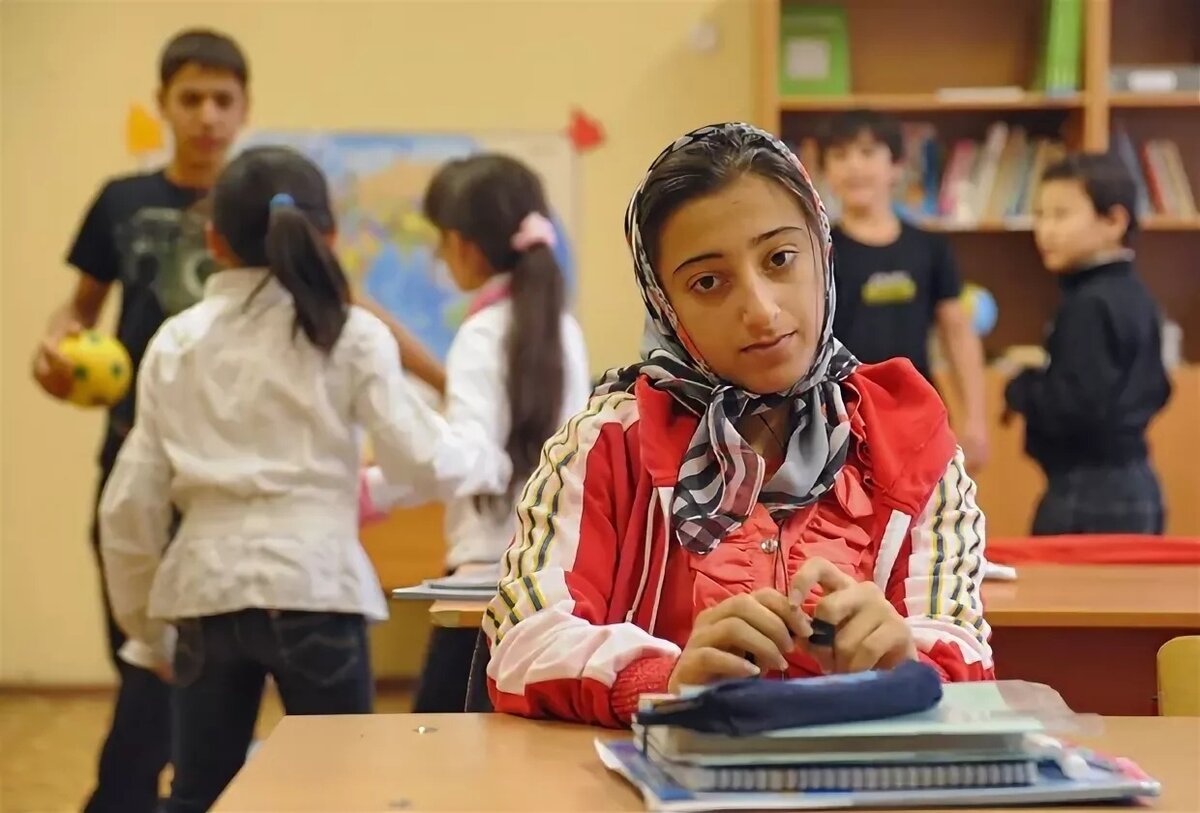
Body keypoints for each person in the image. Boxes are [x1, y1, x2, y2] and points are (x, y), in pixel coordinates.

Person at [481, 123, 993, 728]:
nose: (761, 310)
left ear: (823, 251)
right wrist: (666, 680)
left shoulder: (909, 439)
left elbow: (961, 645)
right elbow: (523, 638)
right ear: (665, 304)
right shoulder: (606, 445)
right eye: (707, 282)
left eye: (780, 259)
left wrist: (905, 662)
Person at [98, 145, 511, 812]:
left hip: (204, 591)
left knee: (200, 792)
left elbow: (129, 505)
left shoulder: (176, 342)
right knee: (342, 792)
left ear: (214, 240)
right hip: (317, 585)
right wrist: (490, 455)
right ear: (329, 235)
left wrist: (146, 630)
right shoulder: (348, 333)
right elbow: (420, 458)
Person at [28, 29, 249, 813]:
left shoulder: (259, 204)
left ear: (245, 107)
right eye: (191, 98)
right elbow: (78, 312)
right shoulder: (122, 201)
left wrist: (437, 375)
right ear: (163, 104)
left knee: (193, 668)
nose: (207, 115)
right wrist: (53, 348)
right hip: (134, 457)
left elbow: (341, 303)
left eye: (222, 99)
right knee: (144, 660)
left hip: (225, 473)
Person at [362, 155, 591, 712]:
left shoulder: (483, 333)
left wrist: (377, 484)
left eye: (440, 241)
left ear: (463, 245)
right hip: (551, 575)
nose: (439, 256)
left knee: (437, 735)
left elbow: (473, 459)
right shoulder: (562, 328)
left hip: (481, 581)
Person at [1005, 154, 1171, 535]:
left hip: (1089, 490)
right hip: (1138, 481)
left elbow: (1075, 404)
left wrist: (1022, 388)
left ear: (1114, 221)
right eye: (1040, 215)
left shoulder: (1089, 304)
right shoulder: (1137, 294)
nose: (1045, 229)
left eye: (1061, 215)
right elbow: (1159, 387)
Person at [821, 110, 989, 470]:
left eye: (867, 153)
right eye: (840, 155)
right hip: (842, 417)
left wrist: (975, 418)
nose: (854, 166)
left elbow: (957, 331)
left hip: (918, 413)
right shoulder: (818, 252)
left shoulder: (929, 247)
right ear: (826, 171)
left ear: (896, 166)